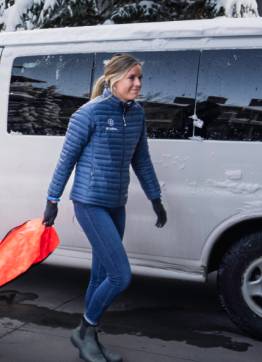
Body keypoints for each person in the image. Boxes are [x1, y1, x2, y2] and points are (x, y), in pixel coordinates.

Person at [42, 53, 167, 362]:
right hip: (90, 202)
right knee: (120, 276)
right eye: (132, 78)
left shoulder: (136, 114)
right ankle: (84, 330)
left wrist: (156, 198)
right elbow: (66, 159)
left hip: (116, 204)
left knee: (100, 277)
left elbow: (142, 160)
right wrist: (52, 200)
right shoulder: (90, 114)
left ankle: (91, 341)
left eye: (140, 78)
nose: (138, 83)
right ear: (114, 80)